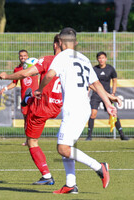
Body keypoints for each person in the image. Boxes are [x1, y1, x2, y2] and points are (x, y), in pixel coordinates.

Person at [34, 27, 117, 194]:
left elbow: (49, 75)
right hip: (82, 107)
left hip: (74, 109)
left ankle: (99, 167)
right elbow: (97, 85)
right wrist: (108, 103)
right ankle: (70, 184)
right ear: (76, 42)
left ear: (60, 42)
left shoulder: (62, 57)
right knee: (67, 145)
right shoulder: (85, 59)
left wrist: (39, 89)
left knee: (63, 148)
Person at [0, 34, 62, 185]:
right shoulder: (71, 62)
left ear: (55, 45)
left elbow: (25, 73)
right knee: (65, 146)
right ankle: (29, 99)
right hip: (58, 105)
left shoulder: (47, 60)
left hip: (42, 106)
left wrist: (6, 76)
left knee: (31, 141)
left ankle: (47, 176)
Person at [0, 49, 39, 146]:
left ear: (28, 56)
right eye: (21, 56)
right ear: (19, 57)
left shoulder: (34, 67)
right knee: (26, 118)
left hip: (34, 96)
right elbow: (14, 83)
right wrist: (5, 88)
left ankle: (33, 139)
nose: (23, 57)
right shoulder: (17, 70)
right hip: (25, 98)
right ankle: (28, 140)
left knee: (33, 118)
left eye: (25, 55)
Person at [86, 52, 129, 141]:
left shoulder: (110, 69)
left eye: (103, 58)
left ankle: (122, 134)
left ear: (106, 59)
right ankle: (89, 136)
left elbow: (114, 81)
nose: (101, 60)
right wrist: (88, 92)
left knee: (113, 113)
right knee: (93, 113)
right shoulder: (94, 69)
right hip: (96, 94)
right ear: (97, 59)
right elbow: (90, 82)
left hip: (107, 95)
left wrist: (113, 93)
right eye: (99, 58)